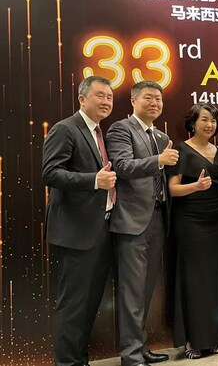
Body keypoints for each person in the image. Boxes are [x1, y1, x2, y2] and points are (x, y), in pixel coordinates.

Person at [42, 76, 116, 366]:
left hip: (99, 229)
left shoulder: (99, 132)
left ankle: (79, 360)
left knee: (89, 304)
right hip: (75, 233)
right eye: (100, 95)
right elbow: (50, 173)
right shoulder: (66, 129)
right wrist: (94, 180)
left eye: (109, 97)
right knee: (73, 305)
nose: (106, 101)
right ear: (82, 99)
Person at [106, 81, 179, 366]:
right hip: (132, 221)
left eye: (158, 99)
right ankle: (131, 354)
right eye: (148, 98)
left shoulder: (161, 136)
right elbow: (122, 166)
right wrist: (158, 160)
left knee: (146, 289)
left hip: (157, 218)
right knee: (132, 291)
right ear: (133, 101)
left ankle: (141, 346)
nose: (155, 103)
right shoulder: (121, 129)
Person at [167, 103, 218, 359]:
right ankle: (192, 340)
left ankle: (214, 336)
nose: (209, 125)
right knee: (194, 280)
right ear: (193, 122)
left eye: (213, 120)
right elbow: (172, 189)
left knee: (215, 278)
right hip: (190, 221)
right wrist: (196, 187)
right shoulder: (180, 149)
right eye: (204, 119)